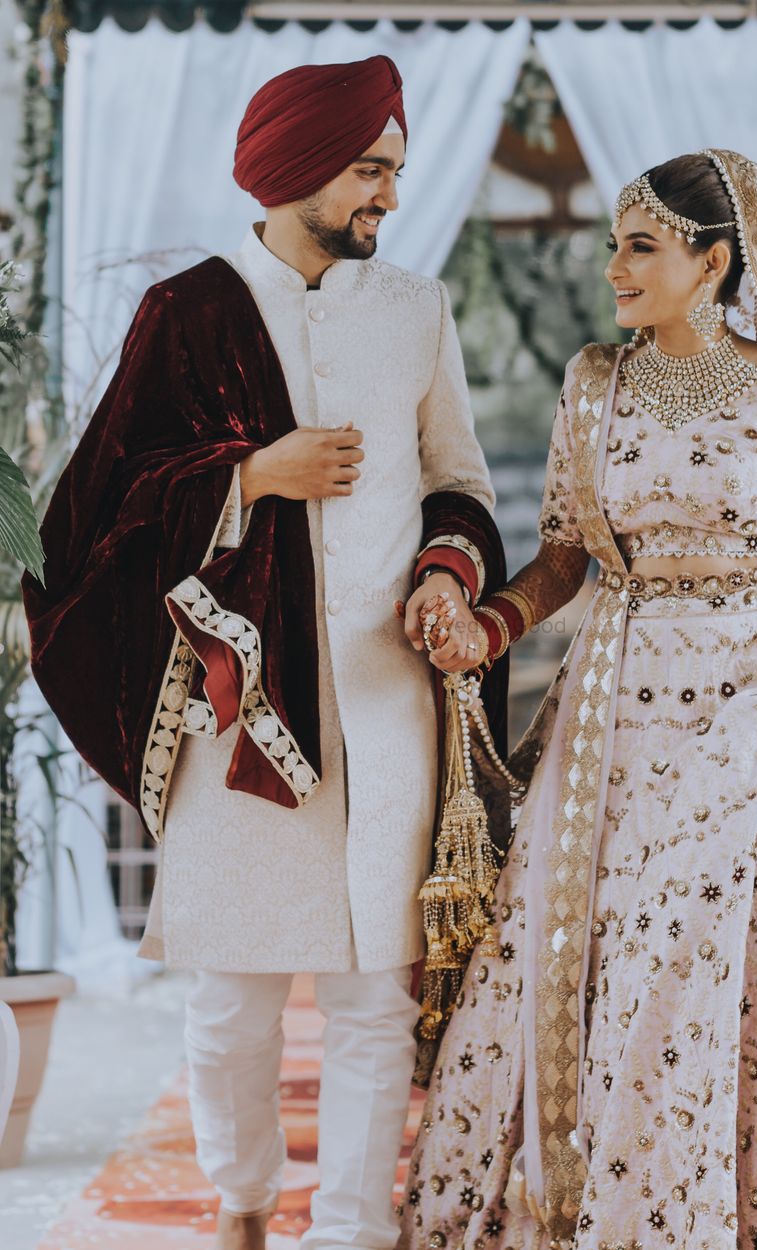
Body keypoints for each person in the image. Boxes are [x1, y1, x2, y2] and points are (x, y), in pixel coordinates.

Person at [400, 150, 757, 1250]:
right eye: (615, 241)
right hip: (611, 712)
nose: (612, 264)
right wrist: (491, 624)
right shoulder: (592, 381)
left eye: (640, 245)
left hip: (752, 713)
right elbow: (565, 554)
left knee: (709, 958)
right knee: (595, 955)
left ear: (712, 261)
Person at [23, 56, 505, 1250]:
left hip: (388, 711)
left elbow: (463, 485)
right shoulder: (185, 312)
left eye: (395, 169)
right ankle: (242, 1206)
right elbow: (89, 511)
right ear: (295, 169)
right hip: (239, 714)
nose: (388, 194)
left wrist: (449, 569)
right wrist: (247, 477)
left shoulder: (416, 311)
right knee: (233, 1001)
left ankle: (349, 1229)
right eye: (368, 170)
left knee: (368, 1001)